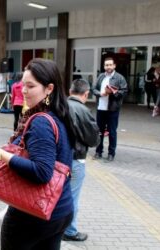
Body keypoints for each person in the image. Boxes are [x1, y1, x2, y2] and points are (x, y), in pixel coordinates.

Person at [0, 58, 75, 250]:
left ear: (49, 88)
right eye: (23, 84)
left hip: (33, 215)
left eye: (30, 86)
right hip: (60, 210)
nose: (23, 91)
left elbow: (42, 172)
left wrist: (2, 155)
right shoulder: (61, 114)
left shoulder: (41, 122)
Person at [63, 79, 100, 242]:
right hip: (75, 159)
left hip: (58, 158)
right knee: (72, 197)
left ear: (70, 91)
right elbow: (93, 140)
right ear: (86, 94)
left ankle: (54, 227)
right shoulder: (84, 111)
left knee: (57, 194)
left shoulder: (59, 106)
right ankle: (69, 231)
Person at [93, 57, 127, 162]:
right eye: (106, 65)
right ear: (104, 66)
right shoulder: (101, 76)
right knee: (99, 132)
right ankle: (98, 151)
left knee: (112, 132)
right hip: (101, 108)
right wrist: (100, 93)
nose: (108, 67)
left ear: (114, 66)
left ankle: (111, 153)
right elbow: (93, 89)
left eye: (110, 65)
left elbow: (124, 91)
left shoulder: (119, 77)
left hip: (113, 109)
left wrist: (113, 92)